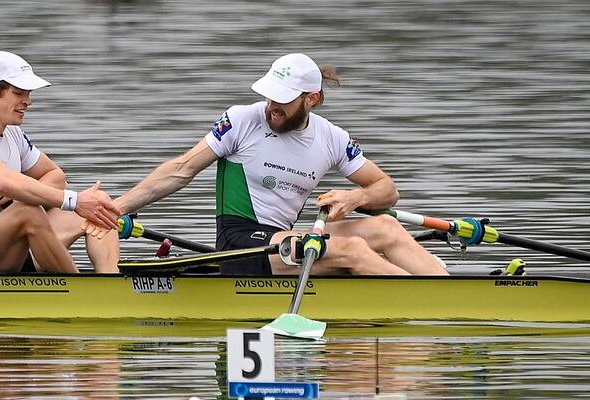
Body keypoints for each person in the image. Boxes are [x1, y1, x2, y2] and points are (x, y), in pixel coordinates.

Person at [95, 53, 448, 276]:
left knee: (386, 228)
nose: (271, 106)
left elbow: (387, 190)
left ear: (313, 99)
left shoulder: (332, 137)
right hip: (241, 243)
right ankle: (430, 303)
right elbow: (181, 169)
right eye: (269, 96)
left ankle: (447, 289)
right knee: (354, 248)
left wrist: (354, 198)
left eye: (282, 100)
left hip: (285, 240)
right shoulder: (241, 120)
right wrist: (115, 207)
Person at [0, 51, 121, 274]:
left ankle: (111, 283)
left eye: (28, 93)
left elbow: (56, 176)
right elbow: (1, 182)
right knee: (28, 210)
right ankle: (81, 295)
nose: (28, 101)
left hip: (7, 249)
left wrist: (78, 202)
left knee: (99, 207)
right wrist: (74, 201)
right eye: (18, 93)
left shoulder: (13, 135)